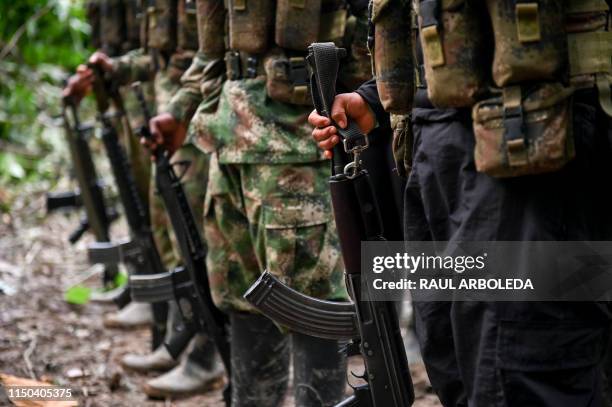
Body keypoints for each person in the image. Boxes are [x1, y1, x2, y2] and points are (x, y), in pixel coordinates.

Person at [309, 0, 612, 405]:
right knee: (454, 365)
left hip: (539, 138)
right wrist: (377, 99)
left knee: (523, 368)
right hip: (437, 138)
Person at [146, 0, 376, 404]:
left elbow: (372, 27)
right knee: (242, 296)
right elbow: (212, 46)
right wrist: (180, 111)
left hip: (297, 147)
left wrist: (361, 105)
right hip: (228, 138)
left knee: (311, 306)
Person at [66, 0, 223, 398]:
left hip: (314, 123)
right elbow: (173, 57)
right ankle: (196, 344)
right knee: (182, 236)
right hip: (186, 112)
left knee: (378, 221)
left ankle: (394, 326)